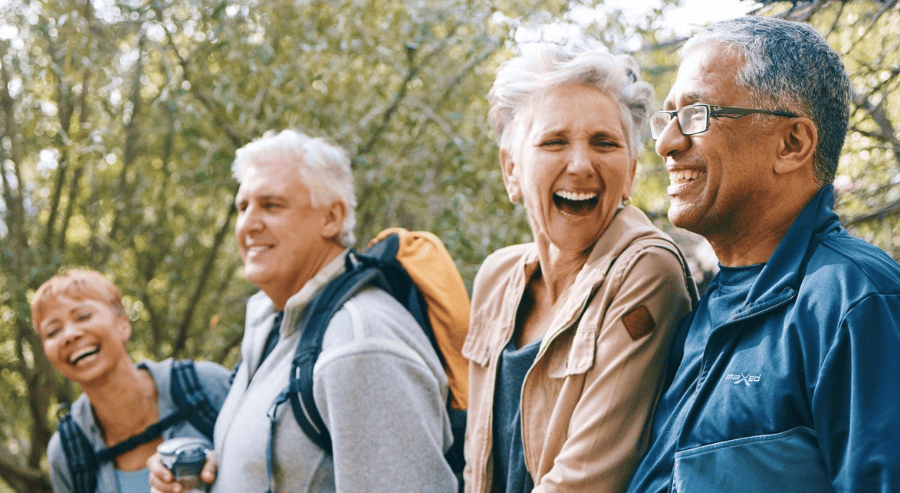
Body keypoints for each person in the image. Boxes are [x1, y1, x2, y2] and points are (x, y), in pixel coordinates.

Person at [627, 16, 900, 493]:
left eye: (696, 115)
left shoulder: (855, 301)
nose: (667, 143)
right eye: (667, 118)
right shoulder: (705, 305)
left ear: (791, 143)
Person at [150, 130, 457, 492]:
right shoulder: (274, 326)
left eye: (272, 205)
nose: (249, 224)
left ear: (332, 217)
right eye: (243, 207)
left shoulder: (360, 343)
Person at [462, 41, 697, 493]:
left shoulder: (646, 271)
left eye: (604, 143)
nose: (581, 164)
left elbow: (584, 481)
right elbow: (478, 468)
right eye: (553, 142)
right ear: (511, 171)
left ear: (629, 172)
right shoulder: (496, 278)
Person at [32, 269, 231, 493]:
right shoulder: (67, 453)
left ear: (123, 324)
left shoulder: (206, 386)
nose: (70, 335)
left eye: (83, 316)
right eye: (53, 331)